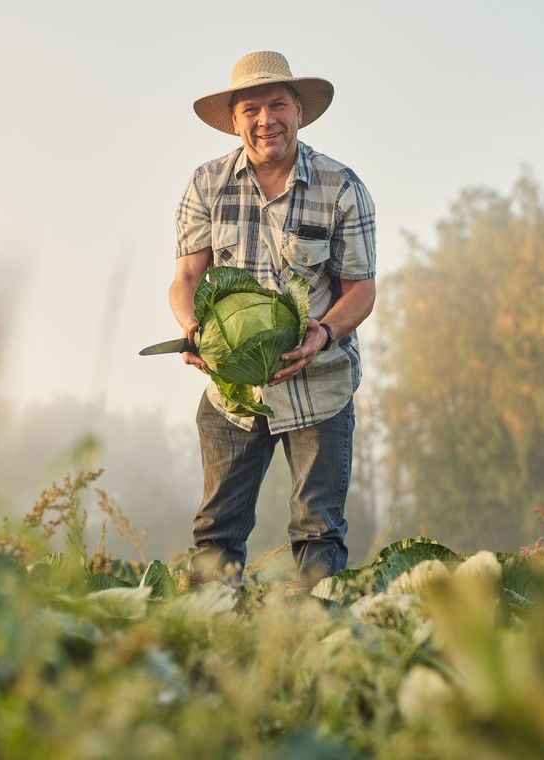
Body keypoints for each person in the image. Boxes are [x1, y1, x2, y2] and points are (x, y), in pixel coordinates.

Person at [170, 51, 376, 593]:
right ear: (235, 120)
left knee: (319, 531)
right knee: (217, 532)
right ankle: (214, 645)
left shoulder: (341, 187)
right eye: (253, 108)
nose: (267, 120)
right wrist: (192, 328)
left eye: (278, 104)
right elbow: (187, 278)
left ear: (299, 110)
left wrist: (324, 331)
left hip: (321, 383)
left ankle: (315, 649)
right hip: (234, 391)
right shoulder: (206, 185)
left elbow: (361, 289)